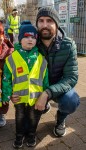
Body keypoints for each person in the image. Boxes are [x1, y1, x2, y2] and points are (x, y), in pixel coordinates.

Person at [2, 21, 49, 148]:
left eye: (33, 37)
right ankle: (19, 135)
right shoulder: (12, 58)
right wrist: (7, 94)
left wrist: (46, 97)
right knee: (20, 117)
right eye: (26, 37)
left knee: (33, 118)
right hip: (19, 97)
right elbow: (6, 77)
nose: (30, 40)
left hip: (35, 97)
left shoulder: (40, 58)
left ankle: (32, 134)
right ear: (20, 39)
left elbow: (45, 78)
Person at [35, 7, 80, 137]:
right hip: (37, 87)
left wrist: (47, 93)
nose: (44, 25)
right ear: (36, 23)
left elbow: (71, 77)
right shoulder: (31, 43)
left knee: (71, 101)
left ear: (56, 24)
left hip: (59, 87)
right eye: (41, 21)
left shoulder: (68, 45)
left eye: (49, 21)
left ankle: (60, 118)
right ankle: (44, 106)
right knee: (26, 128)